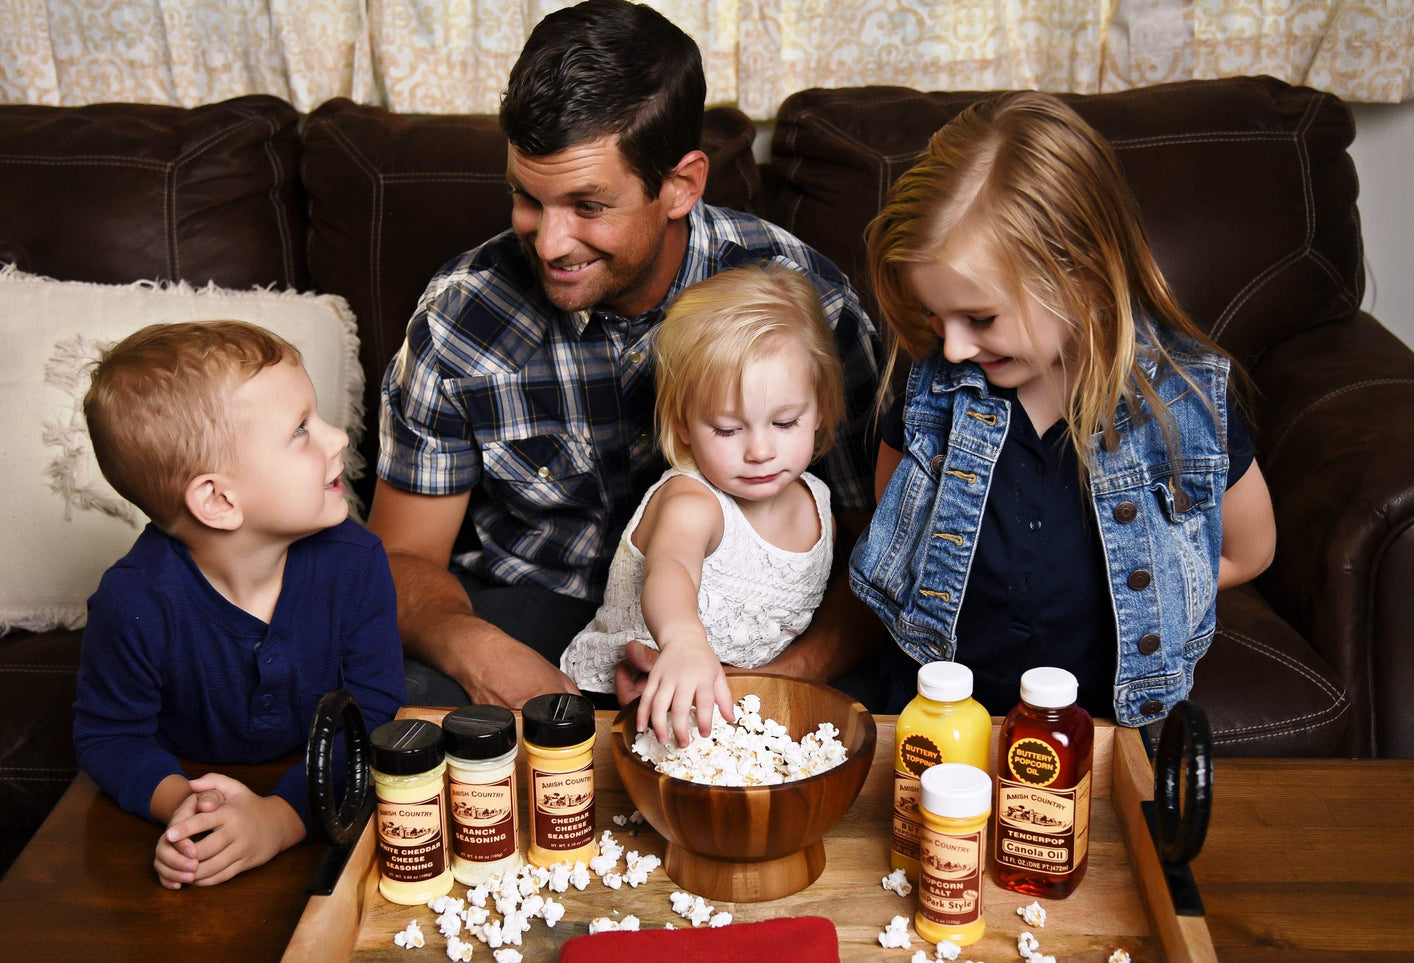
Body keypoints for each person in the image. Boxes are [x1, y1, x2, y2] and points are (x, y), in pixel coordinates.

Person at [369, 0, 881, 710]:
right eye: (527, 197)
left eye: (587, 205)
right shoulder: (461, 315)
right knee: (392, 693)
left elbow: (880, 550)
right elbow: (399, 558)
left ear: (680, 186)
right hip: (531, 607)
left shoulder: (805, 303)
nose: (549, 243)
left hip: (751, 628)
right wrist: (477, 649)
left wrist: (776, 680)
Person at [850, 92, 1277, 724]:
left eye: (980, 318)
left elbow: (1248, 550)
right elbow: (897, 525)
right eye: (933, 316)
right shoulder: (935, 389)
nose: (954, 347)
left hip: (1095, 723)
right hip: (935, 707)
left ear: (1084, 278)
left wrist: (1145, 585)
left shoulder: (1181, 403)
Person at [73, 320, 405, 889]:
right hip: (198, 778)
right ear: (219, 499)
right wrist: (186, 808)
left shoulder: (356, 563)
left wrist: (284, 817)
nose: (338, 438)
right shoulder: (131, 603)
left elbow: (372, 713)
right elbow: (110, 738)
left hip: (315, 783)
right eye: (300, 430)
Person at [560, 264, 844, 743]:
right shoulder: (692, 502)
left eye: (785, 422)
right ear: (684, 425)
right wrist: (684, 640)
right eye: (728, 430)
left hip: (737, 705)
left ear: (819, 407)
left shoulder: (819, 507)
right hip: (630, 697)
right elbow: (671, 567)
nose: (760, 451)